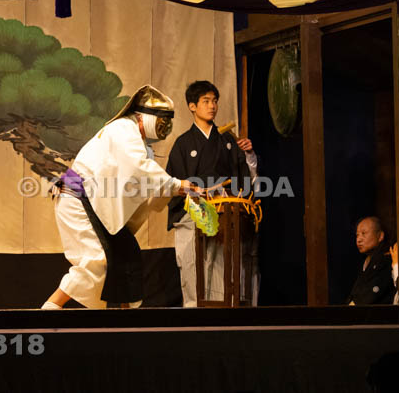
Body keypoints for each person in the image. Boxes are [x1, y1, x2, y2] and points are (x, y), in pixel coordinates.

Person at [42, 85, 199, 310]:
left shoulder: (138, 142)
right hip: (78, 198)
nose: (165, 126)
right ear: (144, 117)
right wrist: (175, 185)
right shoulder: (124, 129)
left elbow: (143, 187)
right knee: (95, 260)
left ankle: (125, 320)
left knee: (125, 256)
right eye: (162, 120)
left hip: (91, 203)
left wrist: (178, 190)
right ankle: (47, 311)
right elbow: (139, 168)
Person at [166, 80, 258, 307]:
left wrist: (249, 155)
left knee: (224, 271)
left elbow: (246, 178)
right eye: (206, 101)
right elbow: (173, 182)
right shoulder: (183, 144)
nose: (212, 106)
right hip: (194, 212)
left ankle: (228, 317)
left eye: (215, 101)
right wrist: (194, 193)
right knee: (193, 268)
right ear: (192, 106)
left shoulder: (228, 140)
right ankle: (194, 316)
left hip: (225, 213)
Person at [347, 216, 396, 305]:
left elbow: (374, 293)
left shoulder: (386, 259)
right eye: (357, 235)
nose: (359, 239)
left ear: (380, 236)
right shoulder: (365, 262)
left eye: (364, 233)